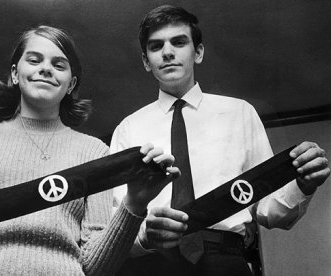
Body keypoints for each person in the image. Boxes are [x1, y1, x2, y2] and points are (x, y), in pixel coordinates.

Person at [0, 25, 180, 275]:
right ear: (15, 74)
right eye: (34, 60)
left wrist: (135, 203)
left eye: (58, 64)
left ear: (71, 84)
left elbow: (96, 267)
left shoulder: (95, 152)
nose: (45, 69)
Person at [111, 5, 330, 276]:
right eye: (156, 46)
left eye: (179, 42)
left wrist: (303, 185)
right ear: (146, 61)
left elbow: (269, 211)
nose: (168, 52)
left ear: (198, 52)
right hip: (151, 264)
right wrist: (145, 236)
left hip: (226, 262)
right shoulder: (128, 129)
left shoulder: (240, 113)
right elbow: (117, 224)